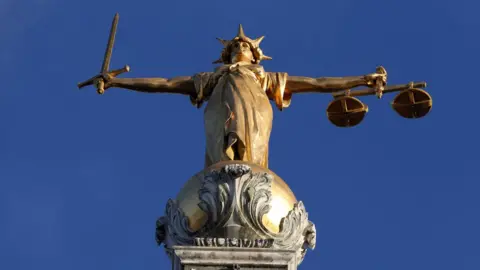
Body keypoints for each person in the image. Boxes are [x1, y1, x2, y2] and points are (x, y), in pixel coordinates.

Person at [86, 25, 386, 169]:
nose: (239, 48)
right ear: (227, 54)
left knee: (252, 161)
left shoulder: (264, 77)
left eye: (244, 46)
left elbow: (316, 82)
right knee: (220, 162)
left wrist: (362, 79)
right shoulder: (213, 78)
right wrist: (118, 83)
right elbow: (164, 83)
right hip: (219, 113)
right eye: (234, 47)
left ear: (255, 55)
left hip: (256, 113)